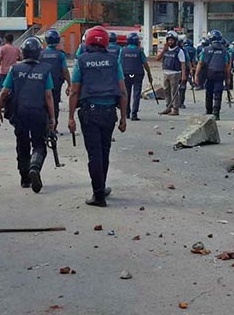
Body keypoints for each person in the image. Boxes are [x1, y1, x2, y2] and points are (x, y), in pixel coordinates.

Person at [68, 26, 128, 207]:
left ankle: (99, 194)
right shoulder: (113, 60)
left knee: (94, 154)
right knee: (104, 151)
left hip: (90, 113)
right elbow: (123, 91)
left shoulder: (82, 61)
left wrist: (70, 117)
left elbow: (74, 91)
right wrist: (124, 117)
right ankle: (101, 187)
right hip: (109, 113)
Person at [0, 37, 55, 193]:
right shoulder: (45, 70)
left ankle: (24, 178)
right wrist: (53, 118)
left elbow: (4, 93)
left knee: (22, 144)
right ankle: (35, 167)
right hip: (39, 113)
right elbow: (48, 96)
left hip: (20, 113)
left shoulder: (15, 70)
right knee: (39, 144)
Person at [195, 30, 231, 120]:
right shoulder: (224, 51)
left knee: (209, 92)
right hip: (220, 74)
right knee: (218, 94)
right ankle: (216, 113)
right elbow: (227, 66)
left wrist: (196, 75)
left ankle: (209, 111)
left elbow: (200, 63)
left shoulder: (205, 50)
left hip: (209, 74)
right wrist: (228, 78)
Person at [39, 29, 71, 127]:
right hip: (56, 84)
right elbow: (65, 70)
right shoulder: (60, 55)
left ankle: (44, 125)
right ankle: (53, 125)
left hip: (42, 84)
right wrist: (69, 84)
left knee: (43, 103)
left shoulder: (40, 54)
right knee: (55, 104)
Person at [120, 32, 153, 121]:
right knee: (136, 94)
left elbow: (119, 63)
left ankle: (127, 113)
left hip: (126, 74)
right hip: (138, 74)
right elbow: (145, 63)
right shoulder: (139, 51)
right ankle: (134, 114)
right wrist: (149, 74)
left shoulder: (123, 50)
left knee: (126, 93)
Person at [155, 31, 186, 116]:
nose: (170, 42)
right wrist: (163, 50)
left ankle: (175, 109)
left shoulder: (179, 51)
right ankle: (168, 107)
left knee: (174, 91)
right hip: (166, 72)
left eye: (172, 40)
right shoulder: (166, 50)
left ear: (175, 41)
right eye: (169, 40)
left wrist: (183, 75)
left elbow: (183, 63)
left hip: (175, 73)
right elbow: (157, 58)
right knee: (166, 91)